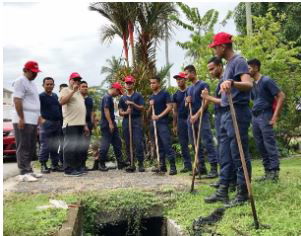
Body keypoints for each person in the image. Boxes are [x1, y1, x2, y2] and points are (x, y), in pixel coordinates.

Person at [205, 32, 253, 208]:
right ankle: (223, 189)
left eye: (215, 46)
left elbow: (249, 85)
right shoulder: (227, 66)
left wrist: (232, 83)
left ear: (223, 46)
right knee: (225, 153)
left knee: (238, 153)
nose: (214, 50)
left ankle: (243, 192)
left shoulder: (239, 60)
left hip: (237, 111)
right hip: (225, 112)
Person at [202, 57, 237, 191]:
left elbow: (224, 101)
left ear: (219, 66)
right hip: (219, 117)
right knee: (222, 150)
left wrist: (208, 98)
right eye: (209, 70)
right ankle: (224, 178)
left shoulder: (225, 82)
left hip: (227, 115)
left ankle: (231, 181)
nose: (210, 72)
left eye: (212, 69)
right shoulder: (219, 82)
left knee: (229, 150)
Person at [248, 58, 285, 182]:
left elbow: (281, 96)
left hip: (266, 115)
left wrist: (275, 116)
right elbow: (255, 99)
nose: (247, 71)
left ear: (256, 68)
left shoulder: (266, 80)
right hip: (255, 117)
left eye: (249, 68)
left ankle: (274, 173)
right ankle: (267, 171)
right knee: (260, 144)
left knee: (269, 143)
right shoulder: (253, 84)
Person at [185, 65, 218, 178]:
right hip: (191, 118)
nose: (186, 76)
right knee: (194, 143)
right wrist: (186, 101)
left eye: (187, 74)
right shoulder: (189, 88)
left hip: (202, 117)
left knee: (207, 141)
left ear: (193, 73)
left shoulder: (203, 85)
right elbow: (186, 104)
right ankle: (201, 167)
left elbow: (206, 101)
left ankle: (214, 168)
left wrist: (197, 115)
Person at [12, 60, 43, 182]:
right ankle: (23, 172)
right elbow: (17, 100)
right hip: (23, 118)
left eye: (36, 72)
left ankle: (29, 170)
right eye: (33, 72)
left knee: (30, 146)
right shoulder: (20, 81)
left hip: (33, 119)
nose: (35, 74)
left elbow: (35, 101)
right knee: (23, 145)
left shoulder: (32, 83)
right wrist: (21, 117)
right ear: (25, 70)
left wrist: (39, 116)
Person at [59, 72, 89, 177]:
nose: (76, 82)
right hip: (70, 124)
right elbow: (62, 101)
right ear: (70, 80)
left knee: (77, 148)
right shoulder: (65, 90)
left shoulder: (79, 94)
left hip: (79, 124)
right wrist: (73, 91)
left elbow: (81, 110)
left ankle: (76, 168)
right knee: (70, 147)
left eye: (78, 80)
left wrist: (84, 125)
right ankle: (68, 170)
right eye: (74, 79)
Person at [148, 76, 177, 175]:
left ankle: (173, 167)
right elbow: (149, 113)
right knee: (158, 145)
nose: (152, 84)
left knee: (167, 144)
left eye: (154, 83)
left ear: (158, 84)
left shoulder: (165, 94)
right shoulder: (151, 97)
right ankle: (162, 166)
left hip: (163, 123)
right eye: (151, 83)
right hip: (154, 124)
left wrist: (158, 116)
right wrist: (150, 105)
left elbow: (169, 107)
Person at [98, 82, 127, 171]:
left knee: (117, 142)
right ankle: (101, 163)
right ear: (115, 89)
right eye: (118, 92)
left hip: (111, 123)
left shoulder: (109, 97)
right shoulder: (107, 97)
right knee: (105, 144)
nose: (118, 94)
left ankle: (120, 162)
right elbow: (106, 109)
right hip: (107, 124)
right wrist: (110, 123)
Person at [118, 75, 145, 172]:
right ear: (124, 85)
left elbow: (142, 107)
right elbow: (120, 112)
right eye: (127, 83)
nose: (128, 85)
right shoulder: (122, 98)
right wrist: (126, 112)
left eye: (130, 83)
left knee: (138, 142)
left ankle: (140, 163)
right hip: (126, 120)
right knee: (128, 142)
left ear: (133, 84)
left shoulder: (138, 96)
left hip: (136, 120)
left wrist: (133, 104)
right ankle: (131, 163)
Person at [39, 77, 64, 173]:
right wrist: (42, 120)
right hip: (46, 124)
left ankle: (54, 165)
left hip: (56, 123)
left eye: (51, 84)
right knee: (45, 145)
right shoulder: (40, 96)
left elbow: (58, 107)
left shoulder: (55, 95)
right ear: (43, 85)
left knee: (55, 145)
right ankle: (43, 165)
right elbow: (36, 109)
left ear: (53, 85)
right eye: (47, 84)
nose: (49, 86)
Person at [172, 72, 192, 173]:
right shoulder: (175, 95)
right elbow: (175, 111)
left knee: (194, 141)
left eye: (180, 79)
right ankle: (187, 165)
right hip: (180, 120)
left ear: (185, 79)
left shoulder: (190, 90)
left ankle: (199, 164)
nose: (179, 81)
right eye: (177, 79)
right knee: (183, 143)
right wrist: (174, 125)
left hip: (191, 117)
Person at [80, 81, 96, 171]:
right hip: (80, 124)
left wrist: (93, 123)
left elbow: (91, 111)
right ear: (79, 88)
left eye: (86, 86)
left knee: (86, 145)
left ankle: (83, 164)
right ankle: (79, 164)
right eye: (83, 86)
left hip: (89, 125)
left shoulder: (89, 99)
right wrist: (84, 125)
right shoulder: (78, 99)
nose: (85, 88)